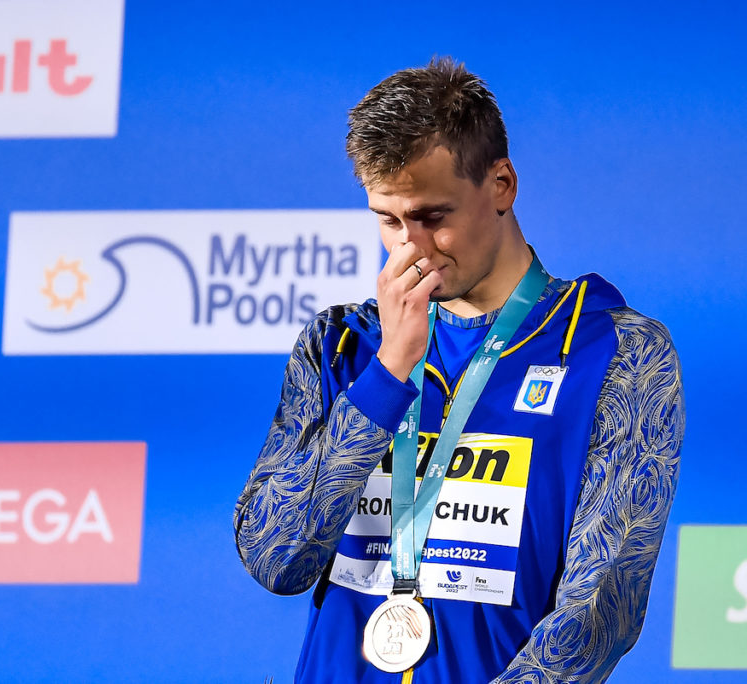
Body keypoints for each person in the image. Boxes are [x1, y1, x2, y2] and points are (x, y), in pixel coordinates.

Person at [233, 57, 685, 684]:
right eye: (388, 220)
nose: (409, 248)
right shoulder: (341, 345)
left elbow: (600, 608)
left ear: (502, 184)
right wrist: (389, 375)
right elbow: (275, 558)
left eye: (432, 217)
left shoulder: (616, 352)